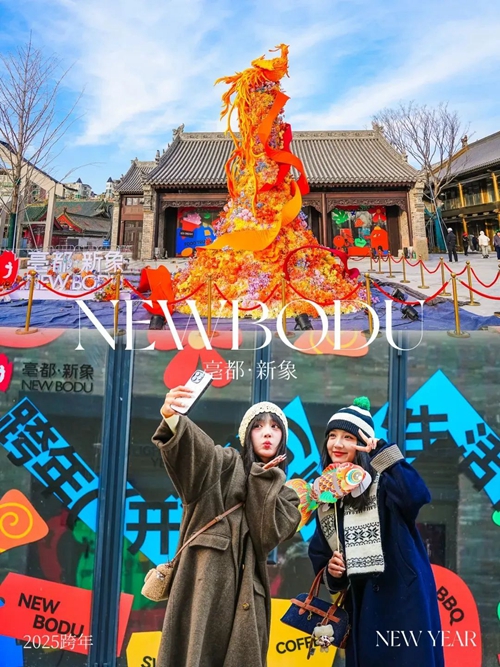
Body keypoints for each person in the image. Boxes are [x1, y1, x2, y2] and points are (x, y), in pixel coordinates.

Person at [152, 388, 300, 667]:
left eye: (275, 427)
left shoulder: (287, 498)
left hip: (246, 603)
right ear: (247, 436)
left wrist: (264, 479)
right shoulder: (224, 465)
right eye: (258, 426)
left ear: (283, 439)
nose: (267, 433)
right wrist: (172, 418)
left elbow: (264, 535)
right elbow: (198, 452)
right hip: (202, 592)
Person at [308, 397, 444, 667]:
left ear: (362, 444)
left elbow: (416, 495)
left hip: (405, 604)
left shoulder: (385, 482)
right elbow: (321, 558)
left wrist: (382, 453)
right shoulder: (326, 498)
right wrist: (333, 572)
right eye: (332, 436)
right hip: (363, 608)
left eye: (348, 437)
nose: (337, 444)